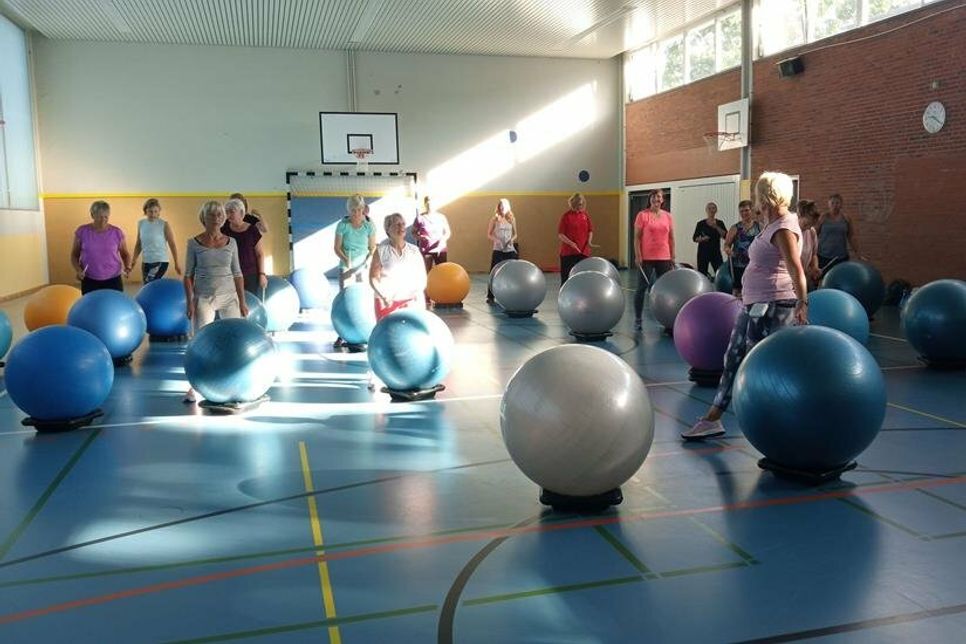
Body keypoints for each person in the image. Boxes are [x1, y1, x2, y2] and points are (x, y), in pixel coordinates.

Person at [682, 171, 808, 440]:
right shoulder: (771, 224)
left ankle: (776, 422)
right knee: (734, 356)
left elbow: (797, 269)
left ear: (767, 196)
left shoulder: (784, 227)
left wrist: (802, 302)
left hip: (774, 304)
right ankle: (714, 418)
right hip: (756, 302)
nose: (755, 200)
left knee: (761, 363)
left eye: (758, 194)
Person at [183, 201, 248, 403]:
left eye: (220, 215)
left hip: (229, 298)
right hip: (204, 298)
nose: (218, 218)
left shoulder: (231, 242)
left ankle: (238, 381)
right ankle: (194, 386)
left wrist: (242, 301)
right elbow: (187, 275)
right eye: (213, 215)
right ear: (204, 218)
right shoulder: (193, 243)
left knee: (236, 340)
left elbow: (237, 273)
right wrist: (190, 302)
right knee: (200, 342)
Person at [334, 194, 377, 346]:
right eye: (353, 210)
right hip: (347, 265)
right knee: (344, 300)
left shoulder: (369, 226)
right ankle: (341, 334)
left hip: (363, 266)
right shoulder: (342, 225)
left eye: (359, 210)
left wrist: (366, 262)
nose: (356, 213)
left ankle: (365, 331)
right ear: (349, 210)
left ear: (363, 209)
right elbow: (337, 248)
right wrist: (346, 261)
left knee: (362, 300)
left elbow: (373, 248)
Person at [370, 213, 427, 320]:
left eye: (403, 224)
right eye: (397, 224)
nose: (401, 227)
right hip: (386, 302)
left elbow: (422, 278)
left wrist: (415, 295)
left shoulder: (414, 250)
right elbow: (373, 277)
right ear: (388, 229)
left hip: (410, 301)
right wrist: (384, 296)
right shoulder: (381, 250)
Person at [632, 189, 675, 330]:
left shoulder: (668, 216)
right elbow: (637, 238)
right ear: (650, 199)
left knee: (665, 289)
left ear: (662, 200)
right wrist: (638, 256)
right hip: (647, 258)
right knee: (641, 288)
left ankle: (665, 317)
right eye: (653, 197)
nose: (656, 199)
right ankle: (638, 318)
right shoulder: (642, 215)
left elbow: (671, 238)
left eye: (659, 197)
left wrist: (672, 256)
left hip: (664, 257)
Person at [70, 200, 132, 294]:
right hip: (90, 279)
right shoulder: (82, 231)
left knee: (113, 306)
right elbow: (74, 255)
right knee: (92, 307)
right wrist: (78, 270)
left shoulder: (117, 232)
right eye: (99, 217)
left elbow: (125, 254)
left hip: (113, 278)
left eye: (106, 217)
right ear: (92, 215)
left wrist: (127, 267)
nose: (103, 220)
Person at [221, 198, 266, 295]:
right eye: (226, 212)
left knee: (250, 304)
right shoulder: (224, 230)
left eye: (231, 212)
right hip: (230, 276)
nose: (228, 215)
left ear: (241, 213)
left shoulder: (252, 230)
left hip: (251, 275)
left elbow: (260, 254)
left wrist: (262, 274)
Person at [132, 198, 181, 283]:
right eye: (150, 211)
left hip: (160, 260)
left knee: (154, 285)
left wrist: (176, 263)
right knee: (147, 286)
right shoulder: (141, 223)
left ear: (159, 212)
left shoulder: (164, 224)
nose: (153, 214)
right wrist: (134, 260)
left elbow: (172, 244)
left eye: (156, 211)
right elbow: (139, 243)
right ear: (145, 211)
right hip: (146, 261)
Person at [816, 193, 865, 274]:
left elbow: (851, 237)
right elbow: (814, 235)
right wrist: (811, 253)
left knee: (839, 278)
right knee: (820, 279)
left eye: (837, 203)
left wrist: (858, 253)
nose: (835, 205)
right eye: (832, 203)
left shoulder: (846, 219)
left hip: (841, 257)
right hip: (823, 256)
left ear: (841, 204)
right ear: (829, 204)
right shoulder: (823, 218)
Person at [723, 200, 760, 298]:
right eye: (741, 211)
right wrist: (728, 250)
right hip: (738, 264)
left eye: (746, 210)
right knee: (737, 290)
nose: (744, 213)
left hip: (754, 264)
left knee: (754, 289)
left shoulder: (759, 227)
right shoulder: (735, 228)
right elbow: (726, 245)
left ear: (751, 211)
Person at [557, 192, 595, 285]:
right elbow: (561, 234)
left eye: (581, 204)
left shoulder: (585, 215)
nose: (580, 206)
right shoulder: (566, 216)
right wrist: (571, 243)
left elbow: (590, 230)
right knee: (566, 278)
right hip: (568, 253)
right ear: (573, 204)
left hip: (583, 252)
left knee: (583, 277)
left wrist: (589, 241)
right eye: (578, 204)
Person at [486, 198, 518, 304]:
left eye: (504, 206)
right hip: (498, 249)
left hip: (509, 249)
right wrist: (497, 240)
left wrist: (511, 240)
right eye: (501, 206)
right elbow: (489, 234)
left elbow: (515, 234)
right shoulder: (494, 219)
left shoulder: (512, 218)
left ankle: (511, 292)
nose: (502, 208)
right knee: (494, 271)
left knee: (512, 271)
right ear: (498, 207)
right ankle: (490, 295)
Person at [413, 195, 451, 272]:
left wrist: (443, 240)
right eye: (428, 203)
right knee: (427, 272)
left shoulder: (441, 217)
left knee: (442, 271)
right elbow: (413, 232)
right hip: (426, 249)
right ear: (425, 204)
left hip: (440, 249)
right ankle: (428, 284)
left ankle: (441, 284)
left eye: (432, 203)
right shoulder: (420, 218)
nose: (430, 205)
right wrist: (420, 238)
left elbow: (447, 232)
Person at [692, 202, 728, 278]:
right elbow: (695, 238)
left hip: (716, 252)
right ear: (706, 210)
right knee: (702, 274)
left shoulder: (720, 223)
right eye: (709, 208)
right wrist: (702, 239)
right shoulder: (701, 224)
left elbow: (725, 236)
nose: (711, 210)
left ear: (716, 210)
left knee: (720, 272)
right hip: (703, 252)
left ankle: (720, 288)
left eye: (713, 208)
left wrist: (716, 227)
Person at [797, 199, 821, 289]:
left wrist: (815, 267)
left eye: (812, 224)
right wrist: (806, 271)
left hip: (804, 278)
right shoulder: (790, 233)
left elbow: (814, 254)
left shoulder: (811, 232)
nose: (808, 227)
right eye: (806, 224)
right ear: (799, 216)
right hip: (790, 279)